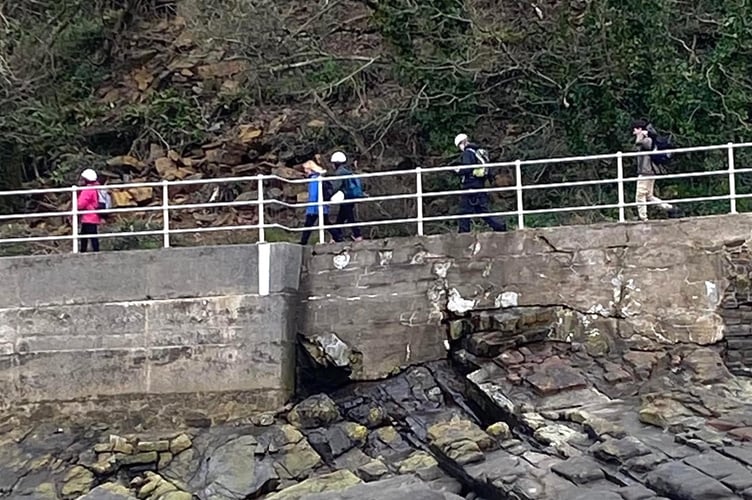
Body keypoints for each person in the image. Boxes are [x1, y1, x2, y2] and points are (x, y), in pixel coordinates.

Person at [453, 133, 507, 233]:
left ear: (462, 143)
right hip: (479, 184)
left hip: (470, 185)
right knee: (482, 210)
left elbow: (467, 168)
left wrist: (457, 171)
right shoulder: (477, 151)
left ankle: (463, 233)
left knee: (464, 210)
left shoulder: (467, 153)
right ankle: (500, 226)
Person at [632, 120, 673, 221]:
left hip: (646, 171)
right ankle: (669, 208)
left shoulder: (648, 140)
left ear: (640, 129)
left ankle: (643, 217)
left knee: (640, 195)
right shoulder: (649, 139)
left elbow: (638, 145)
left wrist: (641, 135)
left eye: (636, 129)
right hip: (649, 171)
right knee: (649, 196)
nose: (634, 131)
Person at [300, 160, 344, 245]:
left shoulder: (313, 179)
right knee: (326, 223)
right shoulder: (320, 178)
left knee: (308, 225)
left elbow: (313, 194)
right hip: (322, 206)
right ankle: (338, 237)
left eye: (306, 169)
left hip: (315, 207)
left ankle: (303, 242)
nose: (305, 171)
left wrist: (310, 206)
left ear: (310, 169)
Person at [330, 151, 364, 241]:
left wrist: (329, 192)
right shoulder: (347, 170)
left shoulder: (340, 172)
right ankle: (337, 236)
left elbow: (336, 186)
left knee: (349, 217)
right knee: (341, 217)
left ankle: (357, 235)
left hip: (346, 196)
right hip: (351, 196)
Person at [77, 168, 104, 252]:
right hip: (95, 216)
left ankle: (84, 251)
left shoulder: (87, 190)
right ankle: (95, 251)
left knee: (85, 236)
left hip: (88, 216)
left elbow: (80, 204)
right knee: (93, 236)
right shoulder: (97, 187)